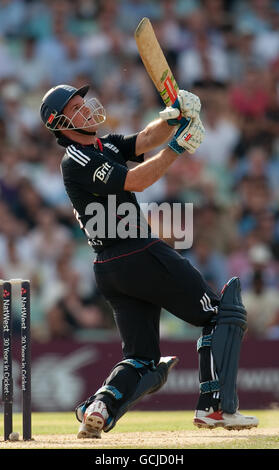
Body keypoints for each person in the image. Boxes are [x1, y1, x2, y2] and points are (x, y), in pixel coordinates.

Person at [40, 83, 258, 438]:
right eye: (76, 108)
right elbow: (137, 180)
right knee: (221, 315)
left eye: (83, 102)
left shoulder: (102, 144)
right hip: (136, 251)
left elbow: (141, 140)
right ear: (60, 124)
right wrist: (177, 146)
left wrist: (173, 115)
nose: (86, 108)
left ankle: (101, 405)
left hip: (111, 269)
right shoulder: (76, 159)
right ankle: (216, 408)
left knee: (142, 358)